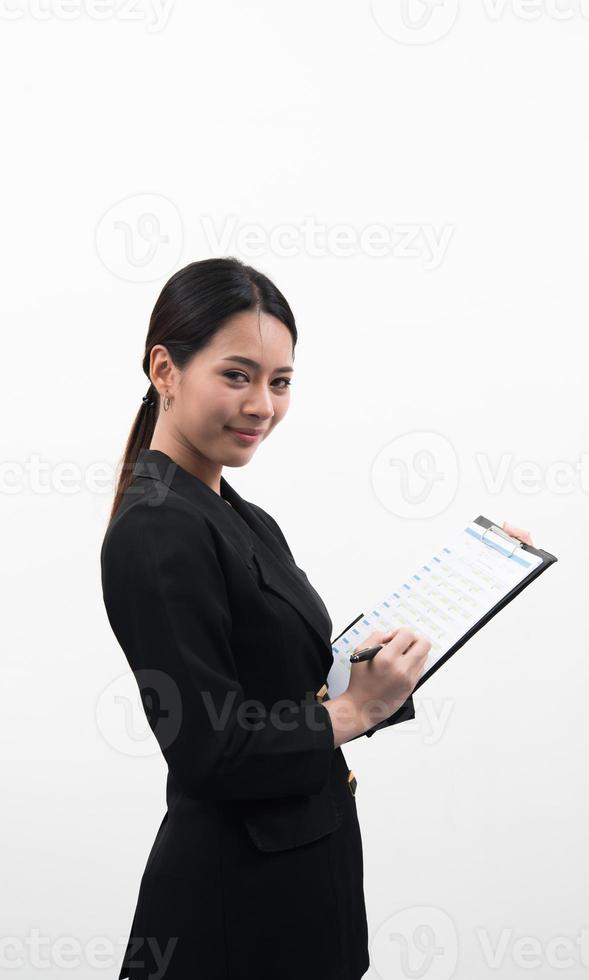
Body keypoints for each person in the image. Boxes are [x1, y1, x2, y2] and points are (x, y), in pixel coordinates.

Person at [100, 257, 533, 979]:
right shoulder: (155, 531)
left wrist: (471, 576)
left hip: (299, 887)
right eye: (236, 375)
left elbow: (290, 681)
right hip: (234, 916)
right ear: (164, 370)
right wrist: (353, 712)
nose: (262, 406)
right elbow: (210, 750)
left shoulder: (240, 516)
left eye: (280, 381)